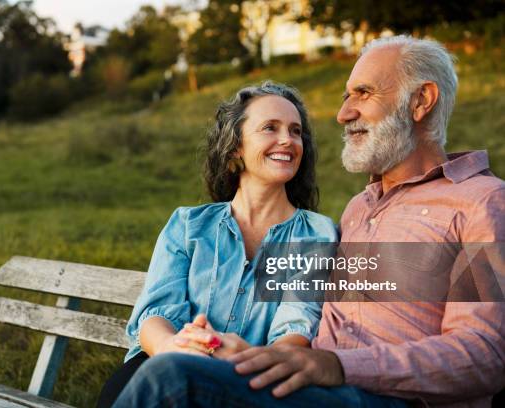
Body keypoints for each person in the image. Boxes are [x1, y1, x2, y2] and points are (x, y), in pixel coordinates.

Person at [112, 36, 505, 407]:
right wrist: (258, 356)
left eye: (363, 94)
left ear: (421, 101)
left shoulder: (480, 202)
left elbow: (484, 354)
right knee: (164, 375)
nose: (342, 113)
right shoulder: (359, 209)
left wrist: (335, 365)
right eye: (346, 96)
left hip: (382, 397)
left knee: (174, 379)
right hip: (309, 386)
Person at [96, 81, 338, 407]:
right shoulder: (188, 225)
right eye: (271, 127)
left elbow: (295, 331)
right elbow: (155, 313)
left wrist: (240, 354)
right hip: (164, 365)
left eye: (296, 132)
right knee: (139, 383)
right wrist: (173, 349)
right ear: (236, 145)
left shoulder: (313, 234)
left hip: (248, 380)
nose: (287, 140)